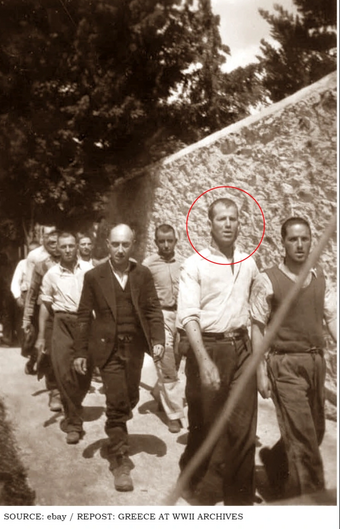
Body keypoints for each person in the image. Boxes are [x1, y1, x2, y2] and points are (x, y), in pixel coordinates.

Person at [177, 198, 259, 505]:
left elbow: (259, 306)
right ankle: (196, 485)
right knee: (206, 424)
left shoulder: (249, 262)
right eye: (221, 218)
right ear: (209, 224)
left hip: (242, 347)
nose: (228, 224)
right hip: (208, 348)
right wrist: (204, 361)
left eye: (233, 218)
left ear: (239, 223)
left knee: (243, 425)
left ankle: (239, 497)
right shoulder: (194, 264)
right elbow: (188, 316)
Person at [250, 217, 337, 500]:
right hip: (284, 364)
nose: (299, 245)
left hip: (315, 363)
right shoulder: (267, 280)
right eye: (293, 239)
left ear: (311, 241)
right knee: (304, 442)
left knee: (315, 432)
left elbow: (333, 316)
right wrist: (260, 372)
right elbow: (257, 328)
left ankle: (274, 463)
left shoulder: (320, 277)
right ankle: (309, 504)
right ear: (283, 243)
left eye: (305, 239)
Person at [74, 224, 165, 492]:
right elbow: (83, 315)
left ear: (133, 245)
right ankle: (119, 459)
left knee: (130, 398)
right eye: (115, 244)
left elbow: (153, 310)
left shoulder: (142, 274)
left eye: (126, 244)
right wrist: (80, 351)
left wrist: (158, 340)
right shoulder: (94, 276)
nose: (120, 250)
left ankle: (116, 424)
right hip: (108, 350)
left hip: (134, 348)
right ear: (107, 244)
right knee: (116, 402)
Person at [38, 232, 93, 443]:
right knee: (63, 372)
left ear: (77, 246)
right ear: (58, 249)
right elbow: (45, 306)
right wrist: (41, 336)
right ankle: (73, 424)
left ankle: (73, 407)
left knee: (84, 375)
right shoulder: (51, 275)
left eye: (71, 246)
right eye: (64, 247)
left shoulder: (89, 270)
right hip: (61, 323)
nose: (68, 250)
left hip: (85, 324)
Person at [143, 224, 185, 433]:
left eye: (170, 241)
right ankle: (174, 415)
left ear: (176, 241)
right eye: (162, 241)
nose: (166, 245)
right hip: (160, 317)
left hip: (181, 316)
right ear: (156, 242)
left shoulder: (184, 264)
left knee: (175, 363)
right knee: (167, 364)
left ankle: (159, 393)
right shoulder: (148, 265)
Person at [22, 230, 61, 411]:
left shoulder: (74, 263)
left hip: (69, 313)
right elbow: (32, 293)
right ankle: (54, 391)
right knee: (49, 352)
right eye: (50, 242)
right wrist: (27, 318)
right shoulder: (41, 266)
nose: (55, 246)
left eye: (57, 242)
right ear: (45, 244)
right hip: (46, 313)